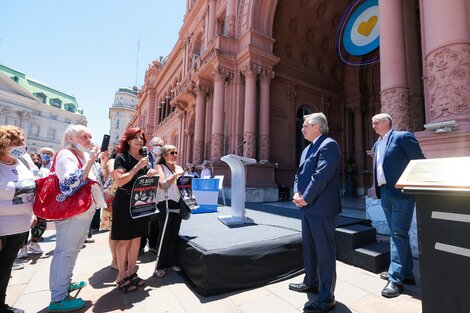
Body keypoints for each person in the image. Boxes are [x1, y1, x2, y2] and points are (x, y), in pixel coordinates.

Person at [47, 124, 109, 312]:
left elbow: (100, 180)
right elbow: (69, 182)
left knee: (72, 250)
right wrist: (91, 161)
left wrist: (102, 163)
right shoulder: (66, 154)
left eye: (90, 137)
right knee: (65, 251)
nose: (89, 140)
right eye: (84, 137)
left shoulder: (83, 155)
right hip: (72, 211)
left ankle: (64, 284)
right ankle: (58, 299)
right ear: (71, 138)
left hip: (84, 210)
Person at [289, 113, 341, 313]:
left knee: (324, 251)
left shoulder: (329, 145)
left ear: (317, 127)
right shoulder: (307, 149)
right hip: (307, 205)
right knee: (309, 248)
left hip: (321, 207)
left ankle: (327, 297)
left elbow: (322, 175)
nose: (302, 129)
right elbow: (299, 173)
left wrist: (306, 196)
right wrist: (296, 192)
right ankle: (311, 282)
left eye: (305, 126)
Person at [371, 113, 425, 298]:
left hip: (402, 193)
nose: (373, 125)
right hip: (385, 193)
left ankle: (395, 279)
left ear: (387, 122)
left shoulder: (403, 137)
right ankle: (407, 273)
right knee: (396, 232)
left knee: (398, 233)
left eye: (376, 121)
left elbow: (419, 162)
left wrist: (411, 186)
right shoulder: (377, 144)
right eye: (372, 122)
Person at [112, 128, 158, 293]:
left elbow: (144, 180)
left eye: (141, 138)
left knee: (137, 238)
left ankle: (132, 272)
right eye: (135, 138)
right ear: (128, 140)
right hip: (124, 201)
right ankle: (122, 275)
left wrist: (150, 173)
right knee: (124, 239)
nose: (139, 140)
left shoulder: (146, 158)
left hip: (141, 202)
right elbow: (120, 181)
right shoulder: (121, 157)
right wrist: (138, 167)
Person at [0, 125, 36, 313]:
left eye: (22, 141)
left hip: (20, 227)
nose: (23, 145)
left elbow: (29, 191)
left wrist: (32, 213)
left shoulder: (20, 162)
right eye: (17, 142)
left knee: (5, 270)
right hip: (2, 229)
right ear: (4, 144)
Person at [153, 145, 184, 278]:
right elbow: (162, 185)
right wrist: (175, 176)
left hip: (177, 201)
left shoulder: (179, 168)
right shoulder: (160, 167)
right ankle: (160, 265)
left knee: (174, 234)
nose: (175, 155)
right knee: (165, 234)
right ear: (165, 155)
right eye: (172, 152)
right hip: (164, 202)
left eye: (176, 152)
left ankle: (171, 263)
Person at [141, 136, 164, 254]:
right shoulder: (145, 155)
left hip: (158, 192)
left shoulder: (162, 158)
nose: (158, 147)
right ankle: (140, 246)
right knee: (144, 219)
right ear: (151, 145)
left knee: (155, 219)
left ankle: (153, 245)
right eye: (156, 144)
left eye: (161, 145)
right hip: (145, 190)